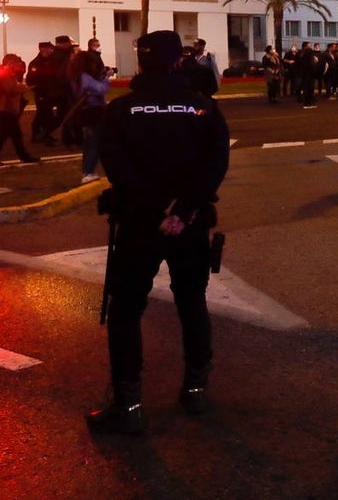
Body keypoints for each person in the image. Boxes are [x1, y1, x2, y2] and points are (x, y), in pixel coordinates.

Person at [86, 30, 229, 434]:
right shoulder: (203, 109)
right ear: (177, 61)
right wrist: (182, 211)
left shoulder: (122, 111)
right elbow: (215, 165)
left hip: (138, 224)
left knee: (127, 309)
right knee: (191, 303)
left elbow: (117, 168)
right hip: (189, 224)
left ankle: (127, 403)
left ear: (141, 62)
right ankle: (196, 388)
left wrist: (154, 211)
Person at [75, 50, 112, 184]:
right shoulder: (84, 76)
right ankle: (88, 172)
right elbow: (100, 89)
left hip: (88, 112)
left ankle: (88, 171)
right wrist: (106, 78)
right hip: (92, 112)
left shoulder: (79, 75)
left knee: (90, 143)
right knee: (93, 144)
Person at [0, 53, 38, 163]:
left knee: (12, 134)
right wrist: (23, 87)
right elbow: (10, 90)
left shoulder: (8, 73)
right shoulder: (5, 74)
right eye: (16, 62)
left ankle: (24, 156)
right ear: (10, 63)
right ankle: (24, 156)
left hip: (7, 109)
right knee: (10, 134)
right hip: (6, 109)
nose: (18, 65)